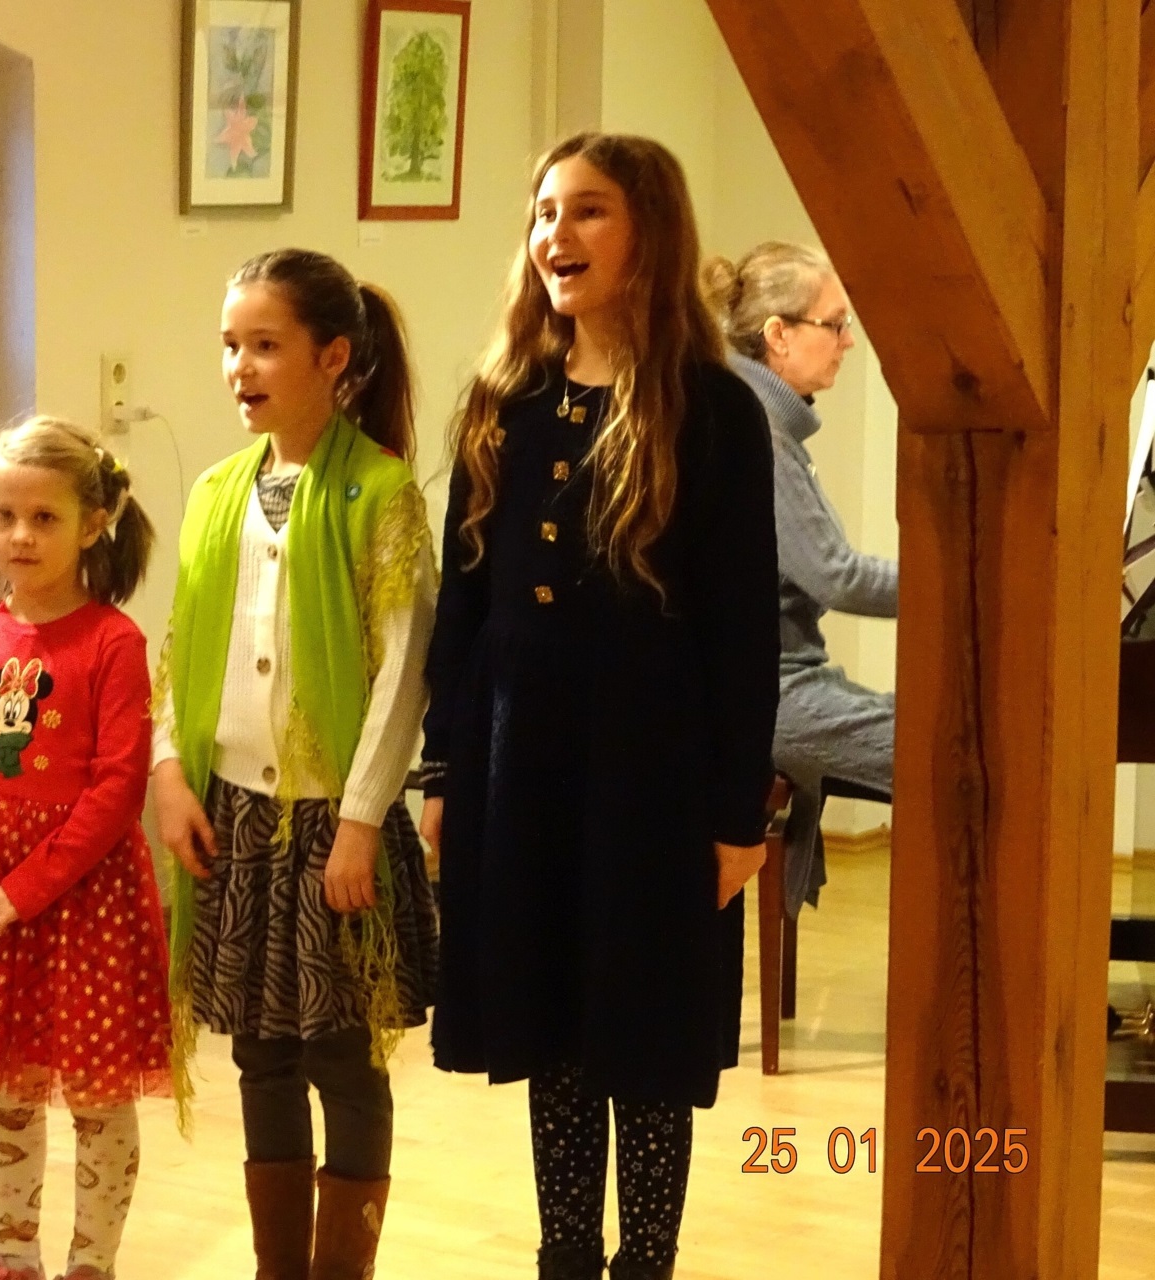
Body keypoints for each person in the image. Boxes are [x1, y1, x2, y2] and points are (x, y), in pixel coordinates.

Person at [418, 133, 778, 1280]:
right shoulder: (504, 399)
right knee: (554, 1022)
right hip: (518, 758)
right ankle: (566, 1254)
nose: (555, 234)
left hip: (652, 769)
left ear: (649, 233)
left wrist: (738, 813)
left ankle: (646, 1260)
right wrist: (442, 767)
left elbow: (743, 629)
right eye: (543, 211)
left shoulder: (713, 410)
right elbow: (462, 599)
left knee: (646, 1029)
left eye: (588, 210)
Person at [151, 248, 439, 1280]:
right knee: (260, 1054)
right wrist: (169, 773)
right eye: (230, 345)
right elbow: (181, 647)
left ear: (334, 356)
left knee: (344, 1061)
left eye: (265, 344)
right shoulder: (218, 491)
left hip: (333, 827)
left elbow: (403, 674)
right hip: (234, 817)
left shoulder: (381, 493)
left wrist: (361, 820)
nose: (241, 366)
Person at [0, 415, 171, 1280]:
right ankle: (12, 1255)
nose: (19, 535)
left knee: (96, 1096)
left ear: (92, 524)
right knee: (7, 1089)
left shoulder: (114, 642)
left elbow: (116, 790)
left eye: (43, 517)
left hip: (81, 905)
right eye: (3, 515)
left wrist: (22, 892)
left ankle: (92, 1262)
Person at [704, 242, 896, 914]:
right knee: (961, 757)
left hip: (786, 681)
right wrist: (958, 586)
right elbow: (836, 576)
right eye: (835, 323)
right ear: (778, 335)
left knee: (958, 739)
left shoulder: (760, 418)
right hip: (771, 696)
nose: (848, 341)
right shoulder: (755, 424)